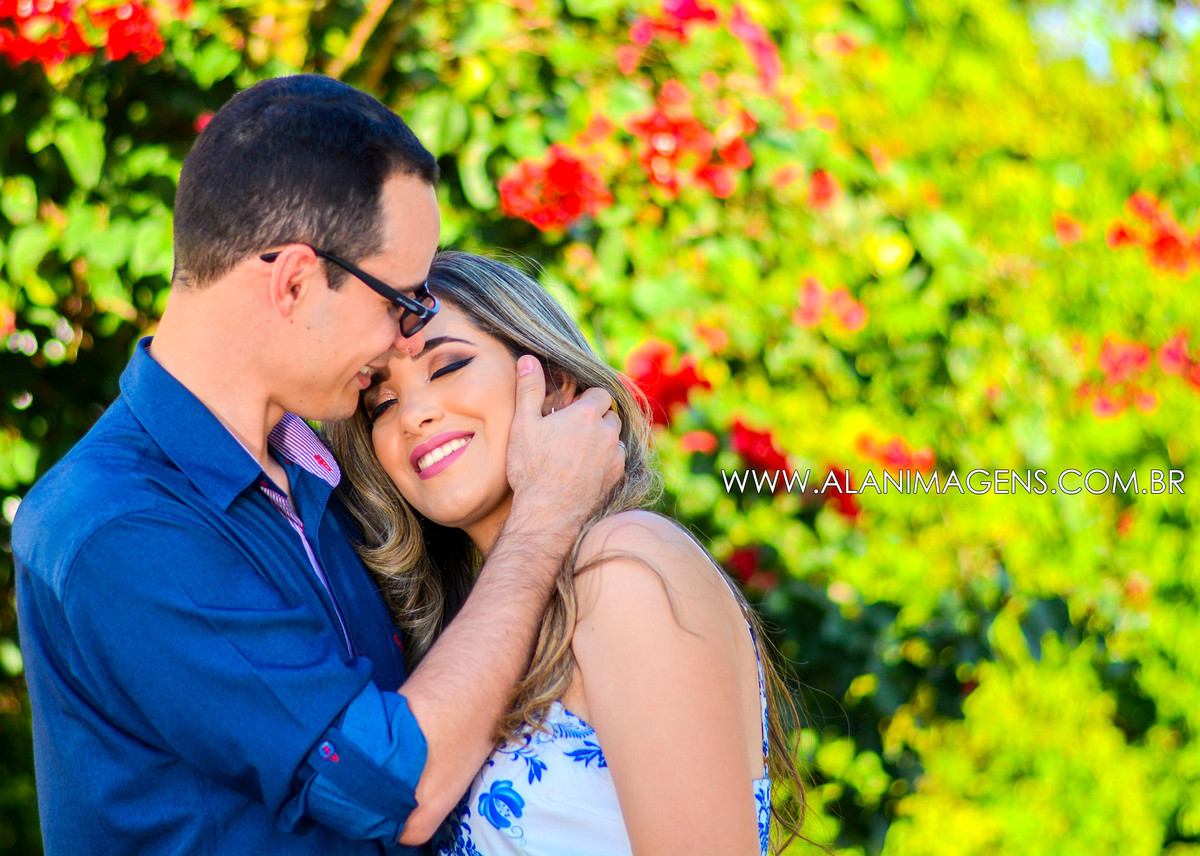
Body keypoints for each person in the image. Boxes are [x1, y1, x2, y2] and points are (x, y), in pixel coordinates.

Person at [12, 75, 624, 855]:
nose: (410, 333)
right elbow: (395, 787)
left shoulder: (317, 475)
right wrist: (545, 514)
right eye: (401, 298)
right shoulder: (118, 525)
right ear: (295, 281)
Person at [325, 251, 809, 856]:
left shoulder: (623, 566)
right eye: (383, 403)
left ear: (553, 381)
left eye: (447, 367)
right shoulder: (477, 630)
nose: (415, 415)